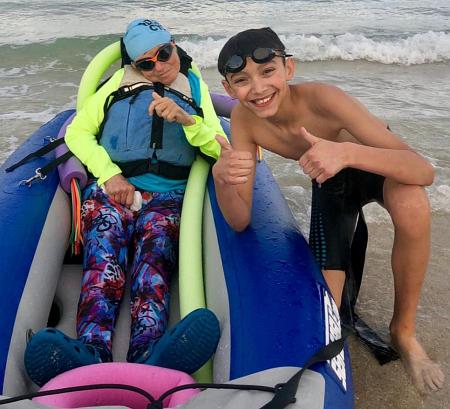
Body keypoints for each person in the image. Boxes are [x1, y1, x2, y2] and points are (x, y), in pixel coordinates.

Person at [212, 27, 444, 394]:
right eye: (242, 80)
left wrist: (346, 152)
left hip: (373, 168)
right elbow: (239, 220)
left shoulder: (325, 99)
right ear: (228, 89)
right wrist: (223, 180)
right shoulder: (244, 121)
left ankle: (404, 331)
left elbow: (421, 170)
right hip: (331, 187)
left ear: (289, 69)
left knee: (411, 199)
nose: (257, 89)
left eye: (267, 72)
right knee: (328, 310)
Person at [24, 18, 225, 387]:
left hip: (167, 198)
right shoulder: (117, 83)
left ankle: (149, 351)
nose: (160, 66)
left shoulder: (195, 87)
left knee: (154, 261)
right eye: (146, 64)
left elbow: (218, 147)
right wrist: (109, 174)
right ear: (135, 65)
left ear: (174, 45)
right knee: (103, 260)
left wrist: (187, 120)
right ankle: (90, 350)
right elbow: (77, 131)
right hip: (112, 190)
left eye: (165, 54)